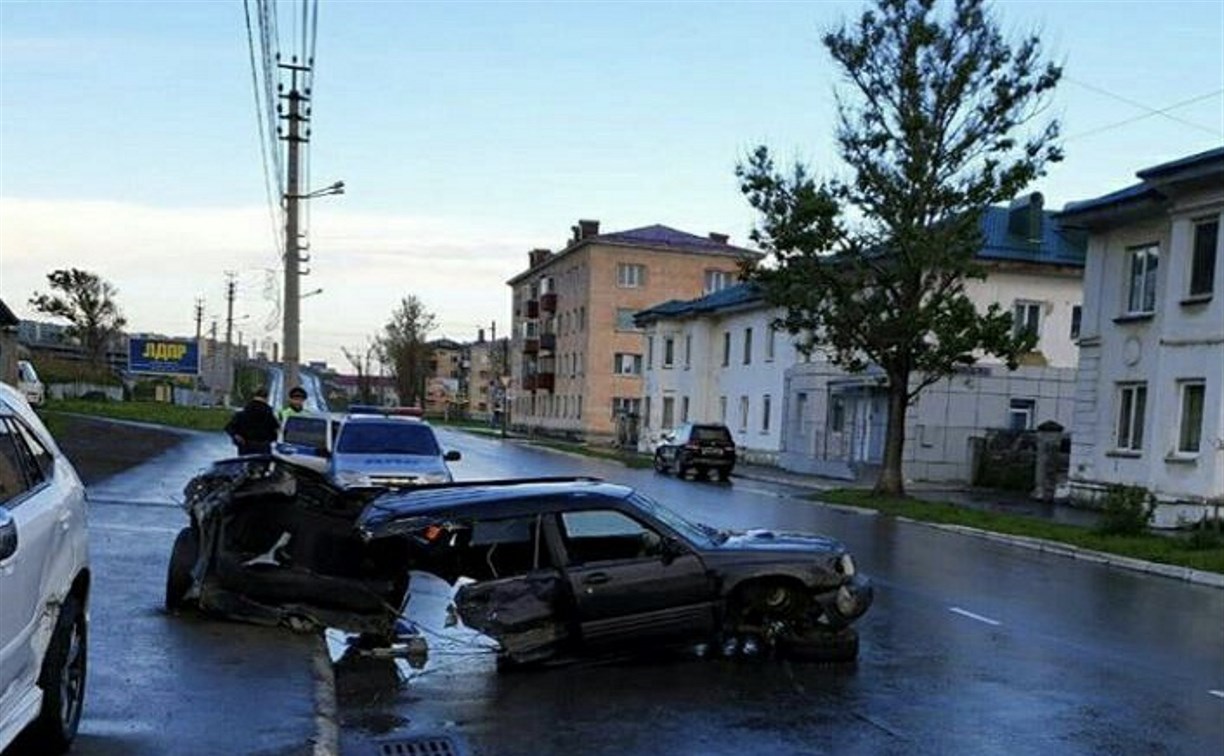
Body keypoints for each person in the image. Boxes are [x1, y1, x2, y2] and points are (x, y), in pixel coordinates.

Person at [225, 386, 279, 455]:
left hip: (246, 446)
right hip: (263, 447)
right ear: (266, 397)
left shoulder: (244, 412)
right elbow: (276, 429)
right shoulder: (268, 413)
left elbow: (229, 427)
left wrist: (235, 435)